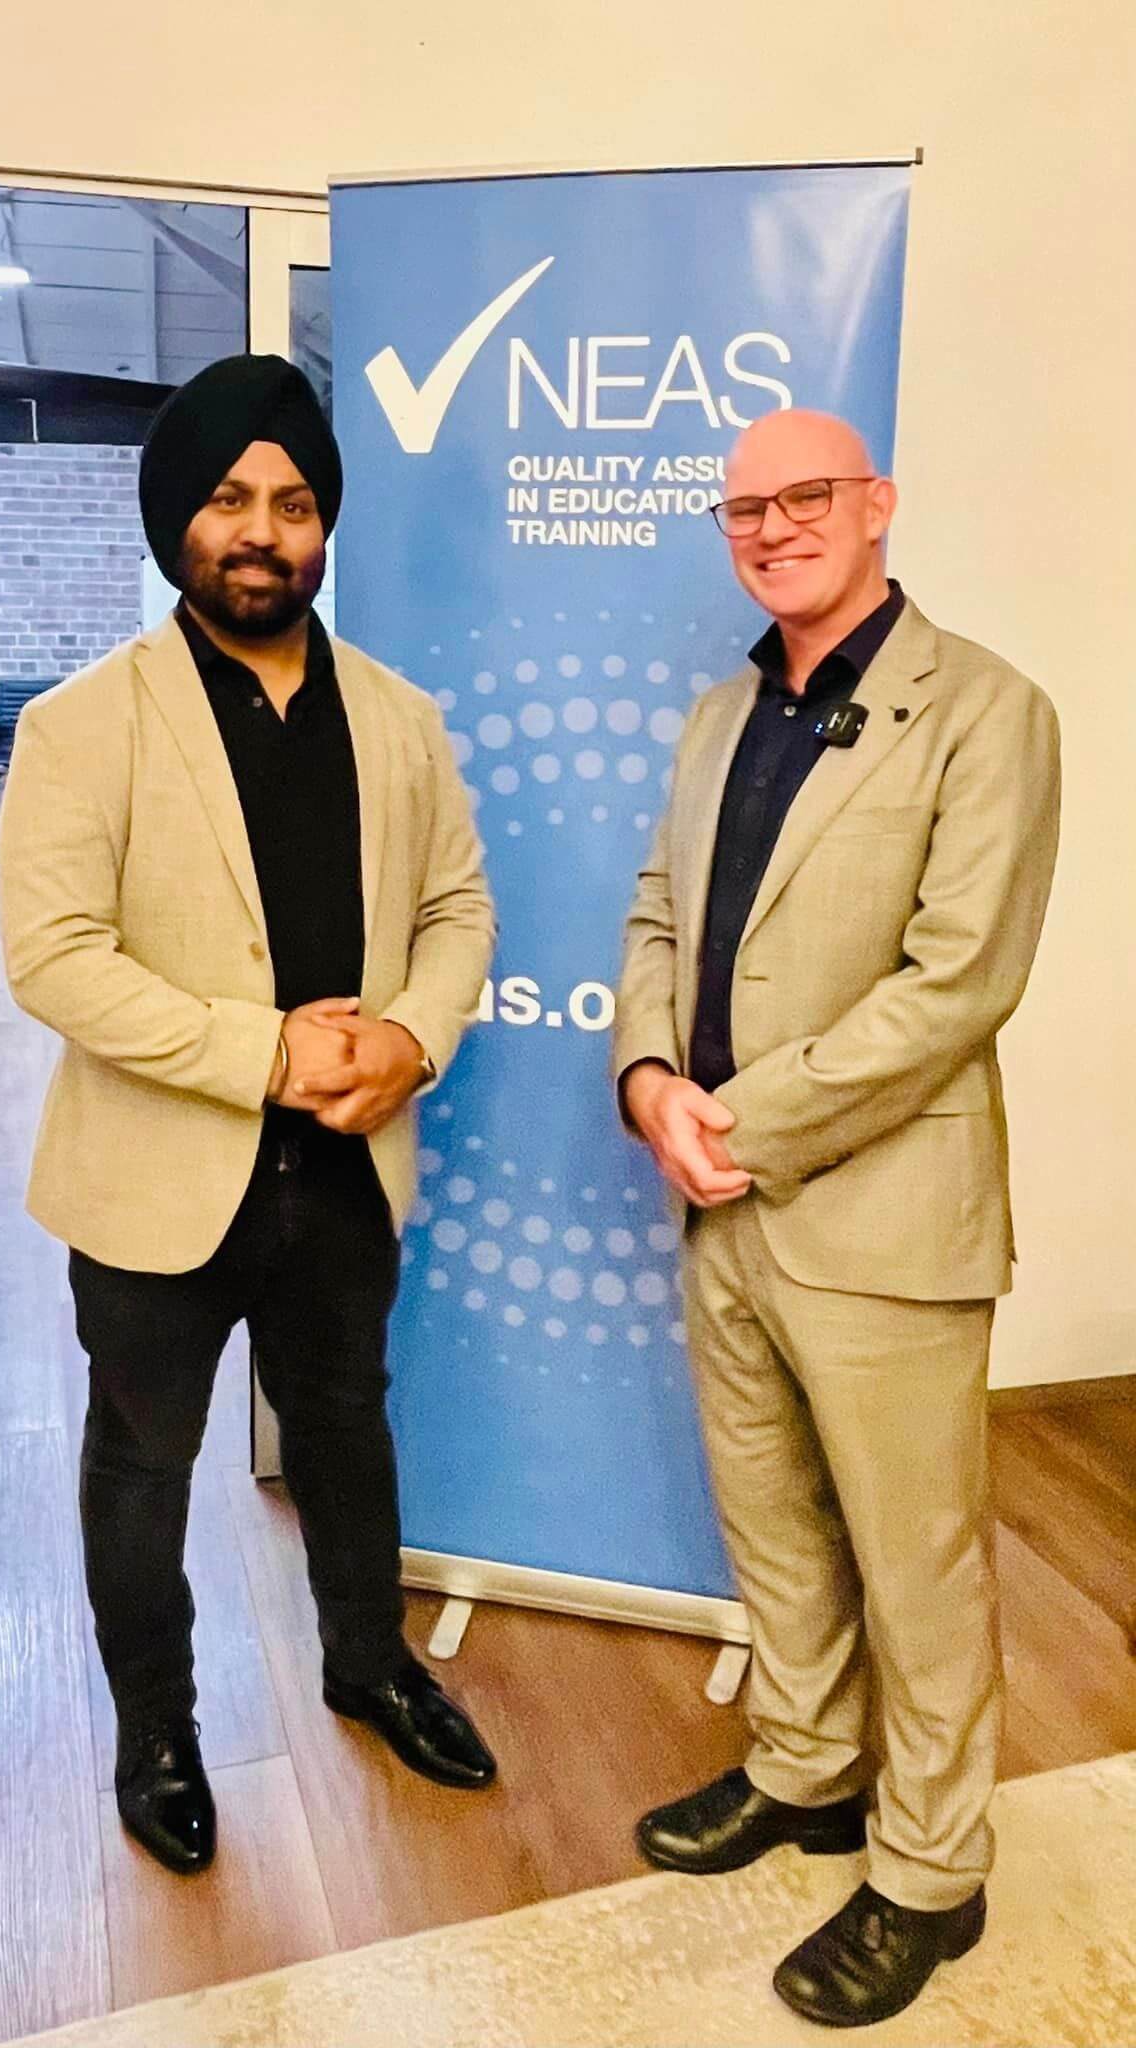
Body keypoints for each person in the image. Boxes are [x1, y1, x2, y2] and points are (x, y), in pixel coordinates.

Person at [0, 353, 498, 1878]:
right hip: (160, 1178)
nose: (262, 532)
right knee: (144, 1464)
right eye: (228, 499)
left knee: (345, 1425)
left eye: (291, 502)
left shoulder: (401, 719)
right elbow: (54, 957)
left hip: (347, 1173)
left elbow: (458, 910)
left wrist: (410, 1037)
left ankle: (369, 1663)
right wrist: (263, 1052)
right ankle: (158, 1731)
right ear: (178, 522)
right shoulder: (84, 723)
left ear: (325, 525)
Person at [614, 409, 1060, 2027]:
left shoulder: (988, 710)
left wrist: (740, 1120)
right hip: (718, 1198)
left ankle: (932, 1871)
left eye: (806, 496)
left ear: (879, 504)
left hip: (881, 1209)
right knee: (774, 1522)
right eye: (744, 506)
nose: (773, 526)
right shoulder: (720, 714)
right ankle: (806, 1767)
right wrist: (649, 1082)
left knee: (916, 1557)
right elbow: (658, 916)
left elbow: (960, 981)